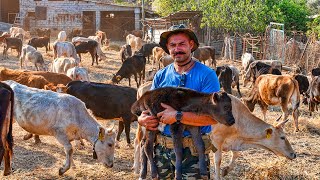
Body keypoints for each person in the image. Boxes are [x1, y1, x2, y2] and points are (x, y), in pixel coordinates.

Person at [138, 25, 220, 179]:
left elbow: (213, 118)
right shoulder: (161, 76)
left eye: (181, 44)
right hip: (161, 151)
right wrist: (142, 119)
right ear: (167, 48)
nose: (177, 49)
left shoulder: (207, 76)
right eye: (172, 45)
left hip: (193, 153)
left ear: (191, 45)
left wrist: (178, 116)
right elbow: (149, 108)